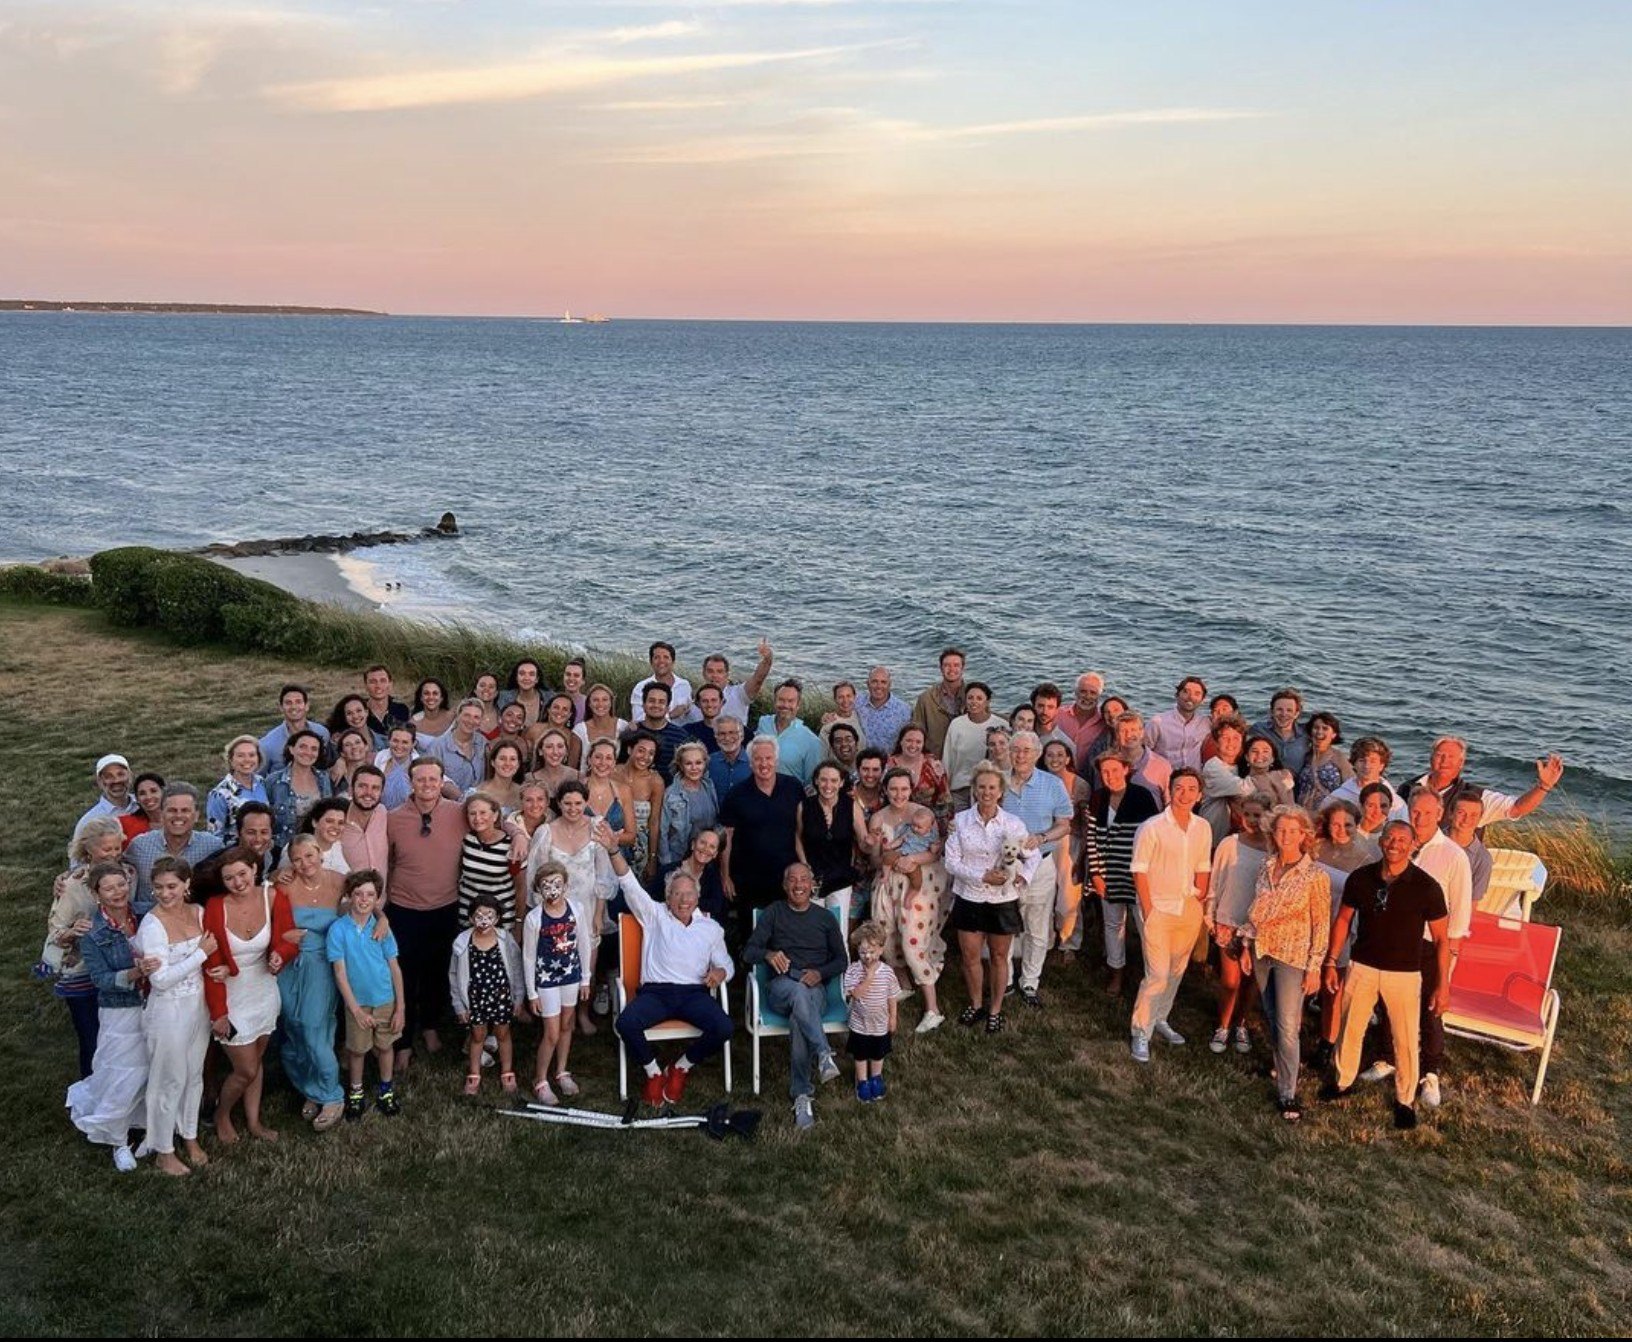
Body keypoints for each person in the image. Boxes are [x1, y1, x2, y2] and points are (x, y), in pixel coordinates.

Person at [1322, 821, 1450, 1130]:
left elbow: (1443, 939)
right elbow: (1342, 920)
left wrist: (1442, 985)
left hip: (1405, 973)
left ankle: (1405, 1100)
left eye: (1402, 839)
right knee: (1350, 1028)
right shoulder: (1361, 878)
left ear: (1413, 845)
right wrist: (1329, 961)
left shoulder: (1427, 886)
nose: (1395, 843)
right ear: (1381, 841)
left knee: (1405, 1039)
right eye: (1390, 837)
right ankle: (1342, 1081)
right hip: (1362, 966)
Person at [1360, 787, 1472, 1109]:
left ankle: (1431, 1073)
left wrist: (1445, 973)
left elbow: (1459, 920)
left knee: (1429, 1010)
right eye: (1414, 811)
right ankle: (1387, 1057)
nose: (1419, 817)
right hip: (1391, 939)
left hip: (1428, 945)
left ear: (1440, 814)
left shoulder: (1453, 856)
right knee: (1386, 1002)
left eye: (1426, 812)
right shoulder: (1395, 843)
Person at [603, 841, 733, 1107]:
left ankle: (681, 1067)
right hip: (657, 993)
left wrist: (720, 973)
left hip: (693, 994)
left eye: (689, 894)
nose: (683, 900)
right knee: (626, 1023)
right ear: (667, 896)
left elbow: (726, 964)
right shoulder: (654, 915)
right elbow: (628, 883)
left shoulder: (711, 927)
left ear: (697, 897)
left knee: (724, 1027)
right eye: (676, 894)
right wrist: (613, 850)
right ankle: (653, 1072)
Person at [385, 758, 482, 1069]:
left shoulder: (458, 813)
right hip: (404, 908)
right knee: (405, 974)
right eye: (420, 780)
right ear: (410, 783)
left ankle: (430, 1026)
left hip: (445, 906)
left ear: (442, 782)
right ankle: (402, 1041)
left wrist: (518, 834)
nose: (427, 785)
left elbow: (495, 820)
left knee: (437, 971)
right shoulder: (393, 818)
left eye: (433, 779)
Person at [1240, 806, 1330, 1120]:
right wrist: (1246, 945)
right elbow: (1257, 909)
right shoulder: (1266, 867)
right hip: (1262, 951)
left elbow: (1321, 924)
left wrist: (1315, 965)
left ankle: (1288, 1093)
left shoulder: (1315, 875)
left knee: (1288, 1026)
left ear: (1304, 835)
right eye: (1281, 831)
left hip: (1293, 957)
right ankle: (1279, 1069)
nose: (1286, 837)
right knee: (1271, 1015)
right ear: (1273, 834)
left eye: (1293, 831)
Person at [743, 864, 849, 1129]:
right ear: (784, 885)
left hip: (815, 989)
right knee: (798, 992)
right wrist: (768, 954)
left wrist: (820, 972)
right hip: (781, 986)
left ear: (812, 884)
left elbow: (842, 960)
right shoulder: (773, 913)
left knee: (799, 1016)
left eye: (804, 879)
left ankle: (802, 1094)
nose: (798, 885)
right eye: (792, 880)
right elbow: (748, 952)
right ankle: (823, 1052)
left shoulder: (825, 918)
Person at [203, 846, 296, 1144]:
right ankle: (222, 1114)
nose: (237, 882)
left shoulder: (272, 897)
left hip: (264, 990)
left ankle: (254, 1121)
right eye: (229, 878)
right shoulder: (215, 907)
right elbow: (211, 964)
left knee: (256, 1060)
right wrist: (218, 1013)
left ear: (255, 870)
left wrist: (281, 955)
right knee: (245, 1068)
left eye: (242, 873)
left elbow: (287, 939)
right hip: (230, 995)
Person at [65, 861, 151, 1171]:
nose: (118, 892)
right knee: (120, 1075)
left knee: (150, 1071)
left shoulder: (146, 912)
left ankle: (145, 1127)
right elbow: (100, 978)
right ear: (96, 893)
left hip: (153, 1005)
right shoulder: (92, 931)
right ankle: (117, 1141)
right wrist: (131, 974)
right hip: (119, 1010)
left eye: (122, 884)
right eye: (109, 887)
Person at [132, 856, 214, 1175]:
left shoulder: (198, 912)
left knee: (194, 1074)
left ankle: (189, 1135)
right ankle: (163, 1149)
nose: (165, 894)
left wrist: (213, 965)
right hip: (168, 1010)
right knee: (169, 1078)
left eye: (171, 886)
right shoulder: (152, 924)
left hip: (199, 1005)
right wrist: (200, 954)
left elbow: (209, 956)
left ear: (186, 884)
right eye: (158, 888)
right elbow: (160, 980)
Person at [944, 762, 1036, 1034]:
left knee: (999, 956)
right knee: (970, 956)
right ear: (974, 789)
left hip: (1001, 900)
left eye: (992, 787)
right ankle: (975, 1003)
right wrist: (981, 876)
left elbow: (1031, 856)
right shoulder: (959, 822)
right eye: (981, 786)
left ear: (1000, 791)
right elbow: (951, 862)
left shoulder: (1013, 823)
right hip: (969, 896)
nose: (986, 792)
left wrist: (1022, 877)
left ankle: (995, 1009)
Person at [1127, 768, 1211, 1063]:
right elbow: (1139, 869)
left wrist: (1199, 895)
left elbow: (1203, 864)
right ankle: (1141, 1031)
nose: (1185, 794)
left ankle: (1160, 1018)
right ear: (1169, 791)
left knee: (1176, 971)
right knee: (1158, 975)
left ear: (1200, 795)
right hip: (1158, 909)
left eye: (1191, 789)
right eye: (1179, 787)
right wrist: (1148, 910)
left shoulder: (1202, 827)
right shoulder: (1152, 827)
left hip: (1188, 908)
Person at [45, 817, 132, 1077]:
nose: (113, 855)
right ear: (89, 849)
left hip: (117, 966)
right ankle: (90, 1097)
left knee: (119, 1039)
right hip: (81, 971)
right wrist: (72, 932)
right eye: (107, 849)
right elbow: (55, 931)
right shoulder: (72, 884)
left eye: (117, 848)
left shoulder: (128, 873)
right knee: (92, 1039)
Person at [275, 834, 347, 1132]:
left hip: (321, 963)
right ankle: (310, 1087)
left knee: (313, 1025)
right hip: (289, 963)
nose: (304, 864)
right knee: (292, 1025)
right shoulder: (284, 883)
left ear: (320, 853)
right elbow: (269, 915)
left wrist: (381, 919)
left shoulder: (339, 880)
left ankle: (332, 1095)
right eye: (297, 859)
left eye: (309, 855)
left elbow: (367, 897)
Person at [1003, 732, 1073, 1009]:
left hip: (1040, 863)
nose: (1020, 755)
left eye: (1026, 750)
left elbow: (1065, 824)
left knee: (1037, 925)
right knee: (1006, 924)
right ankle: (1006, 978)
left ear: (1037, 754)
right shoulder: (997, 781)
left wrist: (1043, 837)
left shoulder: (1052, 784)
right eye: (1015, 750)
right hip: (1006, 865)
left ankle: (1030, 981)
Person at [328, 868, 405, 1119]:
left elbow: (394, 968)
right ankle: (356, 1092)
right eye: (358, 894)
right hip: (357, 1003)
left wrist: (400, 1008)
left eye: (370, 895)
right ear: (349, 896)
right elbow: (340, 973)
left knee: (385, 1046)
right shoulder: (338, 929)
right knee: (357, 1050)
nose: (363, 900)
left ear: (377, 899)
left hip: (385, 999)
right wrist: (355, 1009)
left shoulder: (382, 928)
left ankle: (386, 1090)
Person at [1083, 752, 1161, 998]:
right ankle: (1116, 971)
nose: (1110, 776)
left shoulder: (1142, 796)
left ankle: (1153, 975)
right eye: (1105, 772)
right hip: (1108, 871)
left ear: (1126, 769)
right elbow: (1092, 839)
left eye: (1115, 770)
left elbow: (1153, 839)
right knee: (1113, 924)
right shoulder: (1098, 798)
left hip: (1138, 873)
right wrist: (1096, 873)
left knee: (1146, 925)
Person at [720, 736, 805, 941]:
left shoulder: (793, 787)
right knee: (751, 933)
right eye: (758, 759)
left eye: (768, 758)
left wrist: (804, 865)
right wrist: (725, 876)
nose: (764, 764)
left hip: (786, 875)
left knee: (787, 932)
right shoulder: (736, 794)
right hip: (749, 878)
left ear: (776, 760)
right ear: (750, 762)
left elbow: (799, 831)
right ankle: (750, 972)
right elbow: (727, 839)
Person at [522, 862, 593, 1105]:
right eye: (546, 886)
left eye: (557, 885)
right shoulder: (534, 919)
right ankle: (540, 1080)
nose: (552, 891)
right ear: (538, 890)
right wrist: (532, 993)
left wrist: (586, 979)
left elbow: (584, 942)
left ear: (566, 885)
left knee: (566, 1025)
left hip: (571, 977)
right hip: (547, 981)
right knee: (551, 1033)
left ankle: (561, 1071)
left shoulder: (577, 909)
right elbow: (529, 956)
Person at [1205, 793, 1270, 1053]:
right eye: (1249, 815)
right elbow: (1216, 881)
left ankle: (1241, 1022)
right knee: (1230, 980)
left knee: (1251, 980)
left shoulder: (1272, 849)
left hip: (1258, 924)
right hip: (1229, 918)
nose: (1253, 820)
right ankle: (1223, 1026)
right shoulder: (1229, 844)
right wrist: (1210, 914)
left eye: (1259, 815)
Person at [450, 892, 526, 1097]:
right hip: (475, 998)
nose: (484, 921)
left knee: (503, 1033)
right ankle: (474, 1074)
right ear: (471, 918)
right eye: (479, 916)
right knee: (477, 1035)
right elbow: (454, 974)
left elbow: (516, 969)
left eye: (489, 916)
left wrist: (519, 998)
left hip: (501, 996)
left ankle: (507, 1072)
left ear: (497, 918)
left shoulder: (505, 939)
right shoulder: (462, 942)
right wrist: (459, 1005)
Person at [1405, 736, 1566, 829]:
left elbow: (1516, 808)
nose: (1445, 761)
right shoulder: (1407, 788)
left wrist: (1543, 787)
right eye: (1440, 755)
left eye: (1452, 757)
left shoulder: (1475, 797)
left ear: (1461, 763)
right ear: (1431, 758)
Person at [128, 783, 223, 899]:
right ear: (162, 814)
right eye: (172, 810)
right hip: (145, 914)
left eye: (185, 810)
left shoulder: (213, 847)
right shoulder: (139, 846)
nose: (178, 816)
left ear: (196, 815)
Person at [843, 920, 901, 1103]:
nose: (867, 956)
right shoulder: (853, 971)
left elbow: (892, 997)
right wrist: (868, 978)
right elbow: (856, 994)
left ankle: (876, 1077)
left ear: (881, 950)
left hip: (880, 1024)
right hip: (860, 1024)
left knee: (878, 1053)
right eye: (863, 952)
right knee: (860, 1054)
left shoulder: (887, 972)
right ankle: (862, 1081)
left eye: (872, 951)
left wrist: (893, 1017)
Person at [796, 760, 866, 905]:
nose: (828, 786)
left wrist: (872, 841)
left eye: (834, 780)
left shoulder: (851, 806)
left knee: (838, 925)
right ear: (816, 781)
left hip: (841, 879)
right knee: (813, 925)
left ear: (841, 783)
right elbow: (797, 837)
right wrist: (804, 866)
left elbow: (863, 841)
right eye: (823, 780)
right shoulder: (805, 806)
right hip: (813, 878)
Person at [458, 793, 519, 930]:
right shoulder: (467, 840)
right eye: (472, 813)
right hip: (468, 918)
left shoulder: (511, 845)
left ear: (495, 815)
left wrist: (519, 922)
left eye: (483, 813)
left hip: (500, 919)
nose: (478, 818)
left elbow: (520, 886)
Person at [265, 729, 333, 849]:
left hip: (316, 847)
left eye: (314, 749)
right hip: (283, 847)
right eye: (303, 747)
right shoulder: (273, 780)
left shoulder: (324, 778)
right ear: (291, 749)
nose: (308, 752)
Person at [942, 680, 1005, 809]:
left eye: (979, 698)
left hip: (989, 789)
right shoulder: (956, 724)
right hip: (960, 789)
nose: (974, 702)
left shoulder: (1001, 725)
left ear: (987, 702)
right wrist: (945, 790)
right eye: (970, 698)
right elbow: (947, 759)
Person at [659, 741, 720, 873]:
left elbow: (715, 822)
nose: (694, 768)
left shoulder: (708, 786)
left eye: (698, 763)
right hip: (679, 857)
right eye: (688, 763)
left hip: (705, 856)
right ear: (681, 766)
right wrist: (666, 863)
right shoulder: (671, 794)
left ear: (705, 764)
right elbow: (662, 832)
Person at [683, 642, 775, 728]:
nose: (714, 676)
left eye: (719, 672)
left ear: (727, 675)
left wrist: (767, 660)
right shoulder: (693, 701)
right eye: (710, 671)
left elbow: (758, 680)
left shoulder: (739, 694)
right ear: (703, 674)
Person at [618, 730, 666, 886]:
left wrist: (652, 859)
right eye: (641, 751)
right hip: (614, 841)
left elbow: (654, 822)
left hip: (640, 849)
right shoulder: (612, 772)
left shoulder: (655, 781)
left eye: (651, 753)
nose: (646, 757)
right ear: (629, 749)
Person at [1199, 715, 1256, 845]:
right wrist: (1273, 779)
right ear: (1216, 741)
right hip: (1213, 839)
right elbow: (1244, 789)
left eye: (1236, 738)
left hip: (1238, 837)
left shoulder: (1242, 765)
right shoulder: (1213, 767)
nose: (1231, 743)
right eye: (1225, 738)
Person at [755, 679, 823, 786]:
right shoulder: (763, 723)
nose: (785, 705)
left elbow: (812, 782)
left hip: (790, 798)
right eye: (781, 700)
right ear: (774, 701)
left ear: (798, 705)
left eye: (791, 701)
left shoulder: (811, 741)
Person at [257, 684, 330, 778]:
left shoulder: (322, 732)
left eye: (298, 702)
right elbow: (258, 778)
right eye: (288, 703)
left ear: (307, 706)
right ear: (281, 707)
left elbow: (328, 761)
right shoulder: (268, 744)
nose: (294, 707)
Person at [206, 736, 270, 845]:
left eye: (251, 755)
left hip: (264, 848)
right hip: (235, 854)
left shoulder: (263, 783)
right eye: (240, 756)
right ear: (231, 759)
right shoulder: (220, 794)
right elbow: (214, 836)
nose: (247, 760)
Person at [71, 753, 138, 852]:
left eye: (121, 774)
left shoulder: (144, 805)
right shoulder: (90, 821)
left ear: (130, 776)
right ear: (99, 781)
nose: (116, 780)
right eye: (108, 776)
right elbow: (77, 862)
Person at [888, 723, 952, 827]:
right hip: (895, 824)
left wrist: (943, 831)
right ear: (901, 741)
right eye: (909, 740)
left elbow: (944, 798)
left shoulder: (933, 764)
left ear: (923, 744)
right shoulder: (889, 765)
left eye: (918, 742)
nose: (913, 745)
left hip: (927, 826)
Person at [1323, 736, 1404, 817]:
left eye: (1373, 761)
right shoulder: (1337, 797)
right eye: (1362, 760)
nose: (1367, 766)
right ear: (1354, 763)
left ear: (1381, 765)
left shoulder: (1397, 804)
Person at [582, 738, 637, 857]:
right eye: (598, 757)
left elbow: (631, 836)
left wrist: (607, 839)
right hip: (584, 858)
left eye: (608, 758)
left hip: (617, 859)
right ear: (589, 760)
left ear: (614, 763)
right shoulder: (577, 788)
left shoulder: (623, 791)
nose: (603, 763)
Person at [422, 698, 488, 797]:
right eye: (467, 715)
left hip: (479, 805)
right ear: (457, 716)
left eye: (476, 717)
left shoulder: (483, 742)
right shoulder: (438, 746)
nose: (471, 721)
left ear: (481, 721)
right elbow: (430, 777)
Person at [911, 647, 967, 759]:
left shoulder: (973, 697)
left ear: (963, 668)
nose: (951, 669)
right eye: (947, 665)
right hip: (935, 760)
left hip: (966, 760)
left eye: (956, 665)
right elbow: (916, 733)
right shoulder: (925, 699)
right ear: (941, 668)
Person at [1145, 676, 1210, 770]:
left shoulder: (1206, 723)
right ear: (1177, 695)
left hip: (1193, 780)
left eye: (1197, 694)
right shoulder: (1158, 722)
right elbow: (1143, 752)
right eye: (1186, 692)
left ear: (1202, 700)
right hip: (1164, 777)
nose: (1191, 697)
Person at [1295, 712, 1354, 812]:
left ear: (1334, 734)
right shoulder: (1306, 756)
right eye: (1316, 728)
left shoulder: (1339, 758)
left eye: (1325, 728)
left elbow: (1351, 787)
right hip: (1303, 812)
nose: (1319, 732)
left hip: (1327, 813)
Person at [1446, 788, 1495, 909]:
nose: (1467, 819)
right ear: (1450, 814)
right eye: (1461, 813)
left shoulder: (1483, 859)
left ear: (1480, 819)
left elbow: (1472, 903)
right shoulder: (1432, 841)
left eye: (1474, 815)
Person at [339, 764, 390, 878]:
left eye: (375, 788)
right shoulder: (338, 821)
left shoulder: (383, 814)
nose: (368, 793)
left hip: (381, 895)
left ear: (381, 792)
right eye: (362, 786)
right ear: (351, 789)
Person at [1111, 711, 1171, 805]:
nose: (1129, 735)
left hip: (1151, 818)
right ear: (1116, 735)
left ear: (1142, 733)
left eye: (1133, 730)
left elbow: (1168, 803)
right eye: (1123, 731)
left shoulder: (1162, 766)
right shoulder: (1107, 763)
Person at [1253, 688, 1310, 779]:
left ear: (1296, 714)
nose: (1284, 714)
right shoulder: (1259, 729)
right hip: (1266, 785)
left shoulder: (1307, 734)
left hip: (1297, 788)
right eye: (1279, 709)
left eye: (1289, 710)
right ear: (1271, 712)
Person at [629, 640, 693, 721]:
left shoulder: (684, 685)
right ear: (651, 662)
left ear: (673, 662)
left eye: (666, 657)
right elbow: (638, 719)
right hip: (652, 733)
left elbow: (689, 712)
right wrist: (670, 715)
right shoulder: (641, 687)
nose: (661, 661)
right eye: (657, 657)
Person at [856, 665, 913, 753]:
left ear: (889, 685)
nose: (879, 686)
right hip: (861, 761)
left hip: (890, 763)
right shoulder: (857, 703)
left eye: (883, 682)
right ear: (867, 684)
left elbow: (909, 740)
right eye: (874, 681)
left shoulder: (903, 710)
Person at [1058, 672, 1108, 766]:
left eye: (1093, 693)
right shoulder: (1058, 715)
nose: (1088, 696)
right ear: (1076, 692)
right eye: (1083, 691)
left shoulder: (1104, 722)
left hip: (1089, 776)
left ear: (1099, 696)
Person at [574, 684, 628, 765]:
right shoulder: (579, 730)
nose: (600, 704)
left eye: (605, 700)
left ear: (611, 703)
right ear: (589, 703)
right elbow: (572, 766)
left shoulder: (623, 727)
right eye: (595, 700)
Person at [1242, 735, 1296, 808]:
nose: (1260, 755)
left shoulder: (1283, 776)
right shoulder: (1243, 784)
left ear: (1272, 758)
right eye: (1254, 751)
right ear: (1247, 757)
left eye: (1265, 751)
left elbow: (1290, 806)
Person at [707, 715, 752, 798]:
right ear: (716, 737)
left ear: (742, 736)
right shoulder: (708, 762)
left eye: (732, 732)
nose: (727, 738)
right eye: (722, 734)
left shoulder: (754, 763)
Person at [363, 664, 413, 740]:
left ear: (390, 684)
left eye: (383, 681)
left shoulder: (401, 710)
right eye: (373, 682)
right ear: (366, 686)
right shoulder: (359, 712)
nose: (378, 686)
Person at [376, 724, 419, 809]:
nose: (399, 746)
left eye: (405, 742)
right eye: (395, 741)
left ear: (413, 744)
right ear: (389, 741)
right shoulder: (379, 757)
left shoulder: (420, 764)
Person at [817, 679, 864, 759]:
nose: (845, 701)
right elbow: (820, 757)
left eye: (848, 696)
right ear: (835, 699)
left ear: (855, 697)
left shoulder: (860, 716)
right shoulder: (829, 725)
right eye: (840, 697)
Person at [121, 772, 167, 847]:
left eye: (153, 791)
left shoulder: (179, 818)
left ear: (164, 792)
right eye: (142, 793)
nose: (148, 797)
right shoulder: (126, 824)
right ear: (137, 798)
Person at [500, 658, 548, 728]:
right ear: (516, 677)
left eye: (531, 674)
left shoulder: (549, 698)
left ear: (537, 679)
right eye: (522, 673)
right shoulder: (502, 698)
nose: (526, 678)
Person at [1030, 682, 1075, 753]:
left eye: (1050, 707)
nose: (1045, 712)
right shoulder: (1021, 731)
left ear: (1057, 710)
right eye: (1040, 706)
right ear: (1033, 706)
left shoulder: (1065, 744)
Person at [685, 683, 725, 755]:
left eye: (714, 700)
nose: (709, 705)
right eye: (705, 701)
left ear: (722, 703)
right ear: (698, 704)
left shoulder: (737, 731)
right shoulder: (687, 731)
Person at [561, 657, 588, 721]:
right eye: (568, 674)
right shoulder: (553, 700)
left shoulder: (588, 704)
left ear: (583, 681)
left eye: (576, 675)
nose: (571, 679)